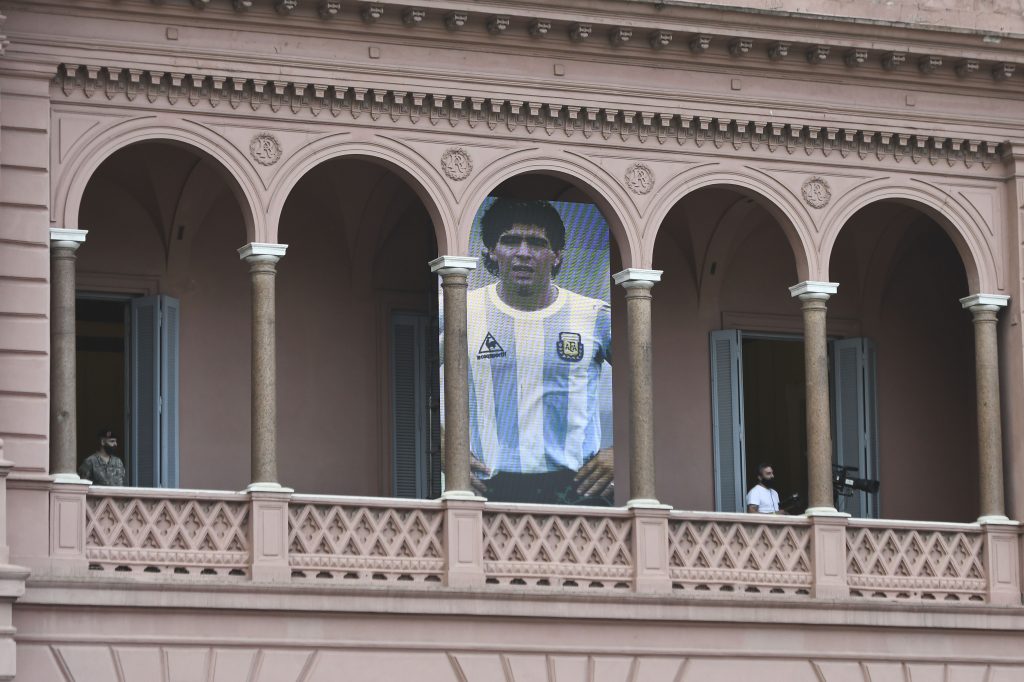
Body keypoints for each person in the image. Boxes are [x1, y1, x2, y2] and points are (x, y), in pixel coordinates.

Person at [462, 198, 613, 505]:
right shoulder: (460, 310)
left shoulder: (594, 315)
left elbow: (652, 383)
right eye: (510, 241)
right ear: (491, 250)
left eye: (536, 243)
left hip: (577, 489)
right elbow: (412, 383)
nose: (523, 253)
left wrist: (622, 452)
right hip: (488, 486)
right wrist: (442, 446)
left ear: (557, 256)